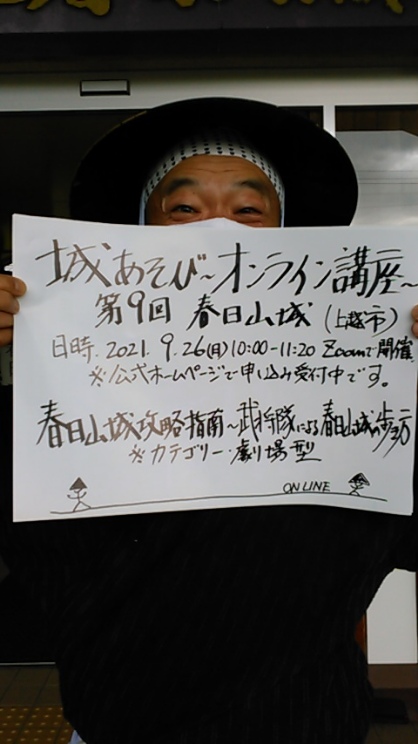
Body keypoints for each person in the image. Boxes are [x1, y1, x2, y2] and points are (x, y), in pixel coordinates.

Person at [1, 96, 418, 744]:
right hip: (121, 727)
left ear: (288, 237)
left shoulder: (353, 391)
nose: (217, 232)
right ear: (140, 231)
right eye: (184, 209)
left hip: (307, 724)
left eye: (249, 210)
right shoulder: (70, 391)